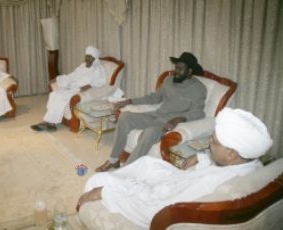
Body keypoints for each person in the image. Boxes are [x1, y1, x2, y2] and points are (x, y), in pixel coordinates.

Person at [77, 108, 273, 228]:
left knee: (96, 182)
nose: (209, 144)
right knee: (148, 162)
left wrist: (105, 193)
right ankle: (121, 181)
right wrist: (202, 157)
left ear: (231, 153)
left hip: (160, 201)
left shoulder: (208, 186)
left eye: (213, 142)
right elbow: (221, 167)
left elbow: (155, 213)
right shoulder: (250, 165)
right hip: (180, 183)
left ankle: (112, 188)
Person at [96, 52, 207, 172]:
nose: (176, 71)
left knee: (149, 132)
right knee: (125, 116)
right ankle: (114, 159)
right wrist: (129, 101)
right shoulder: (169, 80)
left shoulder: (198, 89)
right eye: (176, 67)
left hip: (169, 125)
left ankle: (126, 170)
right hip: (156, 116)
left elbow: (198, 113)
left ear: (189, 71)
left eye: (180, 69)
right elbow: (154, 98)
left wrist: (179, 119)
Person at [31, 46, 107, 131]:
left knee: (60, 97)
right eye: (86, 57)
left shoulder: (98, 69)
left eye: (89, 58)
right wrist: (57, 79)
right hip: (72, 88)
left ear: (94, 59)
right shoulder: (83, 66)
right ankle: (49, 122)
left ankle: (49, 123)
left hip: (80, 91)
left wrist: (89, 86)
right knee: (54, 94)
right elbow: (72, 76)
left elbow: (101, 82)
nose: (87, 60)